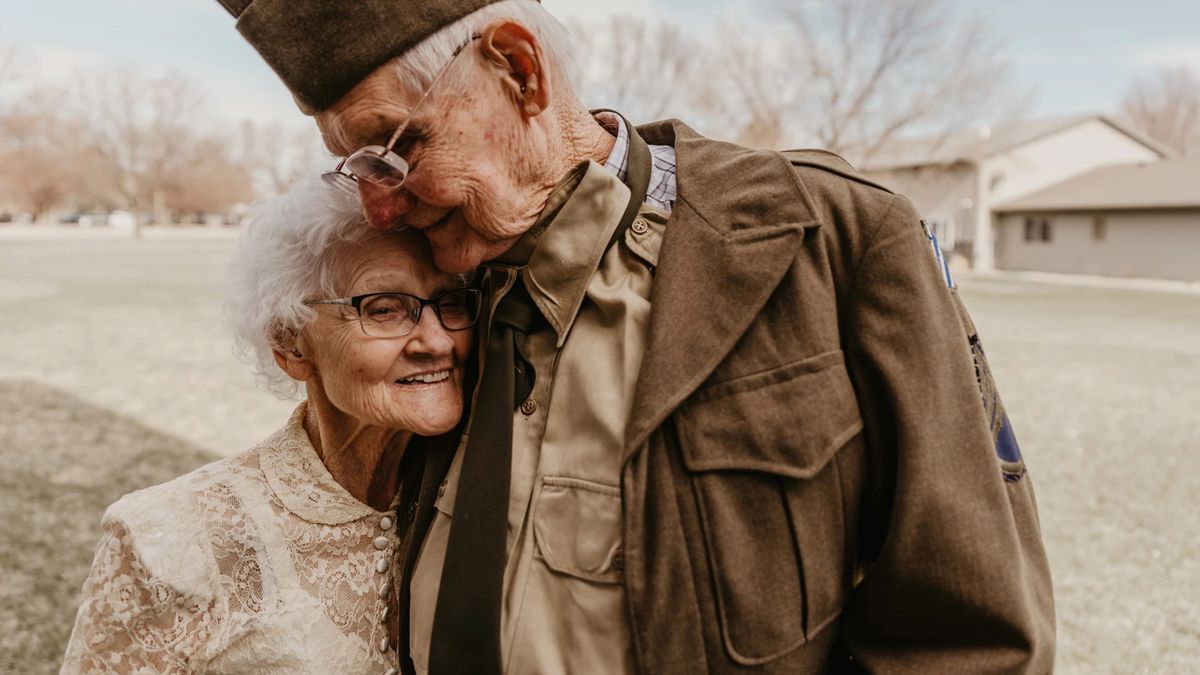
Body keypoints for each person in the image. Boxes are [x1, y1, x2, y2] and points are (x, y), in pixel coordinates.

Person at [215, 1, 1056, 673]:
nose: (381, 207)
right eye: (359, 168)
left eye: (396, 151)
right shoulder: (440, 283)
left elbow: (975, 634)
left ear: (518, 68)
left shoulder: (833, 240)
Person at [60, 173, 478, 674]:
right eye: (384, 309)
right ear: (290, 344)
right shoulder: (169, 539)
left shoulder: (483, 495)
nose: (437, 341)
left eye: (450, 302)